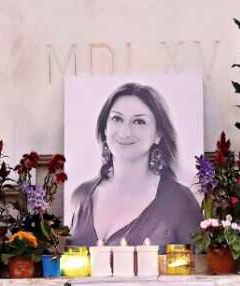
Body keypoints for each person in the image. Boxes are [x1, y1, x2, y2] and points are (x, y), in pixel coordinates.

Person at [70, 82, 202, 248]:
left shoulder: (180, 201)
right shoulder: (81, 196)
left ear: (158, 134)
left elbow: (201, 262)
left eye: (139, 122)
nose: (125, 132)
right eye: (117, 119)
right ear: (104, 129)